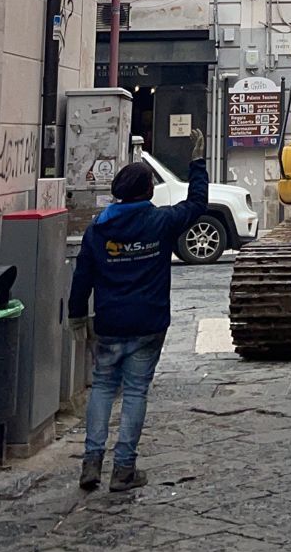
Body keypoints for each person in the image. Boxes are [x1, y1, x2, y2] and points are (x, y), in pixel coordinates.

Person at [68, 126, 208, 493]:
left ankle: (91, 462)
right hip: (149, 322)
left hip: (110, 322)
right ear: (148, 192)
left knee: (101, 387)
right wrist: (197, 164)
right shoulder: (159, 222)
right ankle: (124, 468)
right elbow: (196, 206)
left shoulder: (97, 229)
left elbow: (83, 275)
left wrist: (76, 315)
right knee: (135, 392)